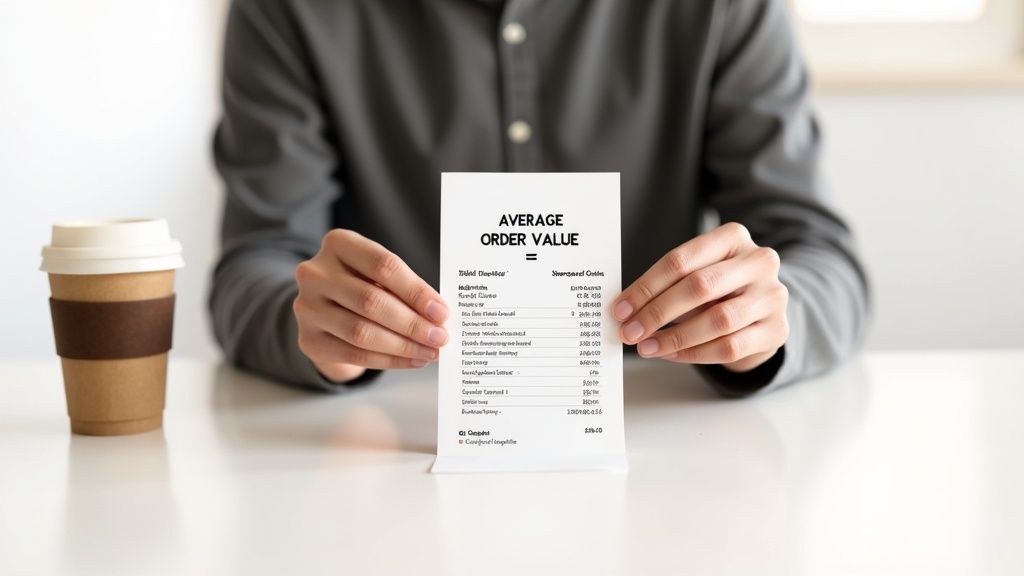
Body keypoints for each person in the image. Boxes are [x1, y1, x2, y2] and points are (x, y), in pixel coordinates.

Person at [210, 0, 870, 398]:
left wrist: (762, 327)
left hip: (664, 451)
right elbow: (254, 263)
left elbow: (821, 258)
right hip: (384, 461)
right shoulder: (286, 9)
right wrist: (318, 331)